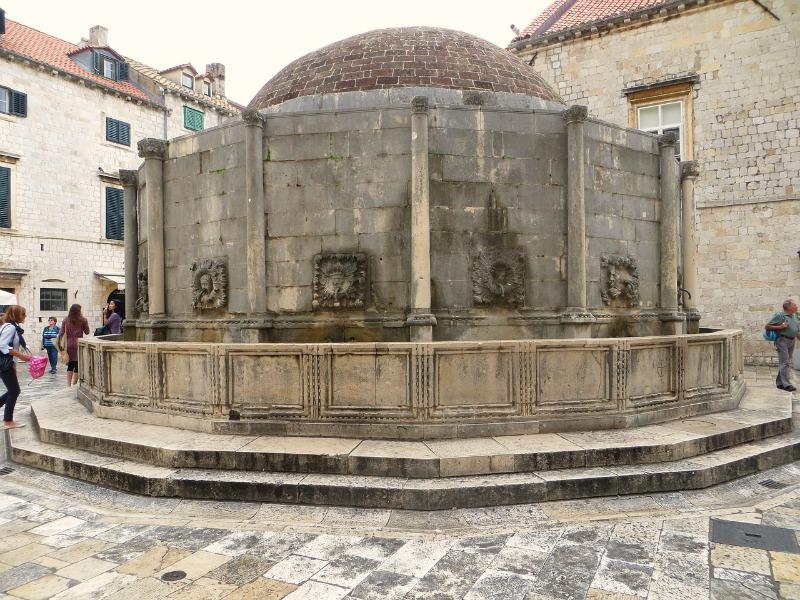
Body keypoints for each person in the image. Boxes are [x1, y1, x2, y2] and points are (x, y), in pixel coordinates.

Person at [0, 305, 31, 429]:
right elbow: (2, 345)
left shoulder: (11, 327)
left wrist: (14, 363)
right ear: (17, 315)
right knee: (14, 391)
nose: (25, 316)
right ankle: (8, 421)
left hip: (7, 364)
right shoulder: (11, 328)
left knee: (14, 390)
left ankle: (8, 419)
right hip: (4, 364)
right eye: (23, 314)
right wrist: (21, 355)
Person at [765, 299, 800, 392]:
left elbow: (796, 330)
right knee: (785, 362)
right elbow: (767, 326)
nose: (797, 306)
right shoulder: (780, 315)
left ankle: (780, 383)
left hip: (792, 340)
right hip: (782, 340)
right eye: (794, 305)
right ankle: (787, 384)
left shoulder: (795, 316)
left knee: (786, 361)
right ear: (788, 307)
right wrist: (780, 327)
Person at [57, 304, 89, 387]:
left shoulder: (66, 320)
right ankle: (74, 383)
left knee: (70, 364)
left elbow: (61, 333)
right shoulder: (83, 320)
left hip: (69, 344)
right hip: (79, 343)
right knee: (78, 364)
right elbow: (87, 332)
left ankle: (68, 385)